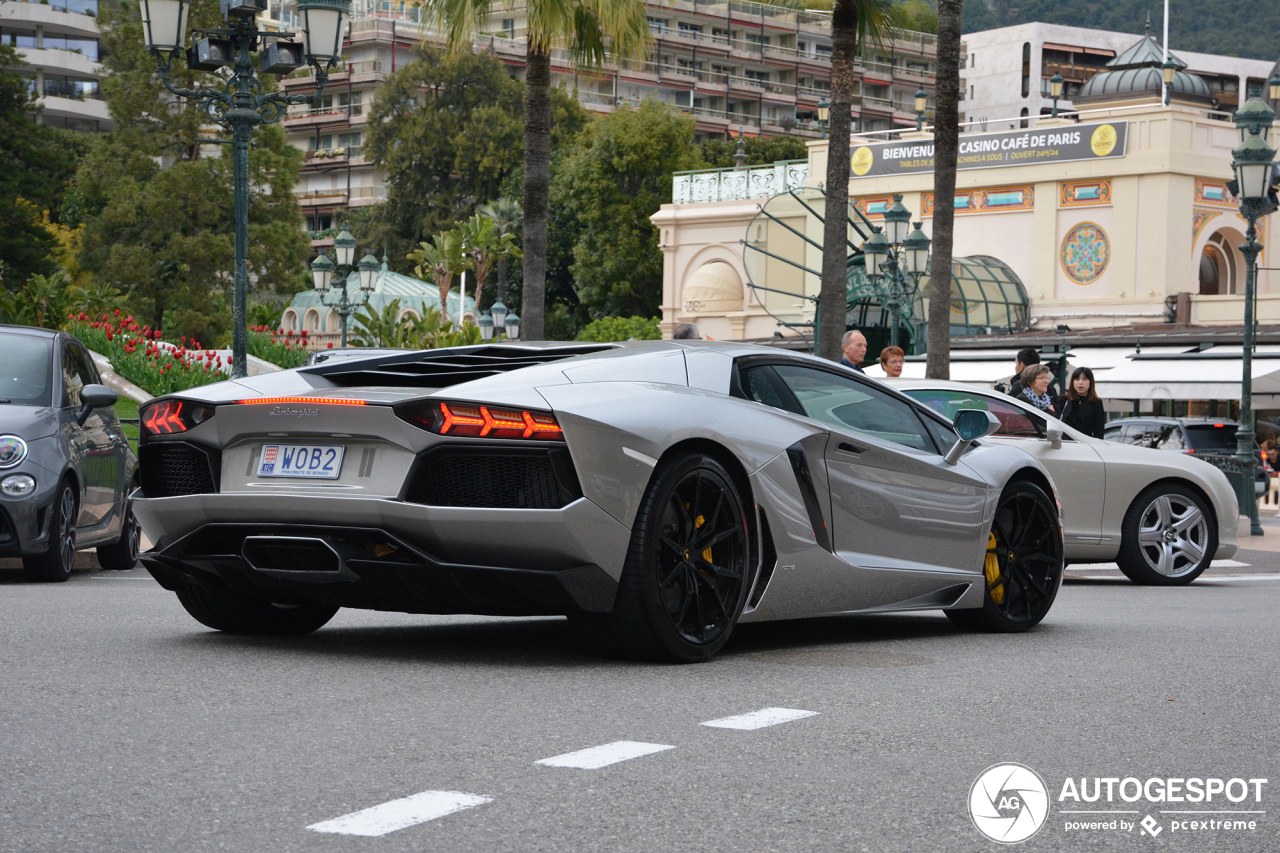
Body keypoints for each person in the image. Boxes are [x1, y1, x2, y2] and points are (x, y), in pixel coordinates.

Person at [1058, 366, 1106, 438]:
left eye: (1084, 379)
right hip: (1065, 444)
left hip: (1084, 445)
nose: (1080, 383)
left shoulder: (1096, 403)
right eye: (1077, 379)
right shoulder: (1064, 400)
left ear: (1090, 382)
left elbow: (1099, 431)